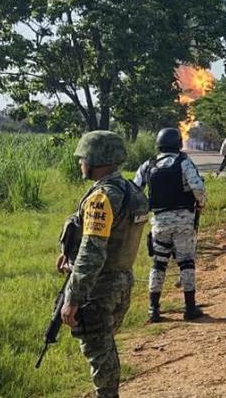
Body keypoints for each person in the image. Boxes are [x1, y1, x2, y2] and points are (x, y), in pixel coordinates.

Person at [56, 130, 149, 398]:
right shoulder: (130, 190)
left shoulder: (102, 198)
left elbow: (92, 251)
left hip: (100, 286)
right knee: (105, 343)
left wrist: (73, 297)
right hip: (122, 279)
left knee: (98, 348)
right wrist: (68, 252)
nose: (80, 162)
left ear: (97, 158)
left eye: (83, 157)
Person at [134, 127, 207, 323]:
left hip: (159, 221)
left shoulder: (148, 165)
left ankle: (153, 310)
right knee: (186, 263)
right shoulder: (183, 162)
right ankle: (190, 308)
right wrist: (200, 203)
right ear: (178, 143)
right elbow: (198, 187)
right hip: (184, 219)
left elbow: (135, 190)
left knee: (158, 264)